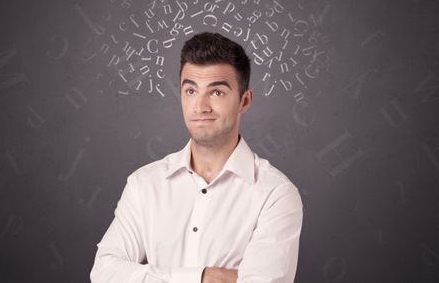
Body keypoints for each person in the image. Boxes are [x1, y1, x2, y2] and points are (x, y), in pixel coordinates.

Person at [90, 32, 303, 283]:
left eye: (217, 93)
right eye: (191, 90)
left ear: (244, 101)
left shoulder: (274, 194)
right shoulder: (144, 185)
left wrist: (147, 275)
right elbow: (104, 273)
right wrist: (204, 278)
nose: (200, 107)